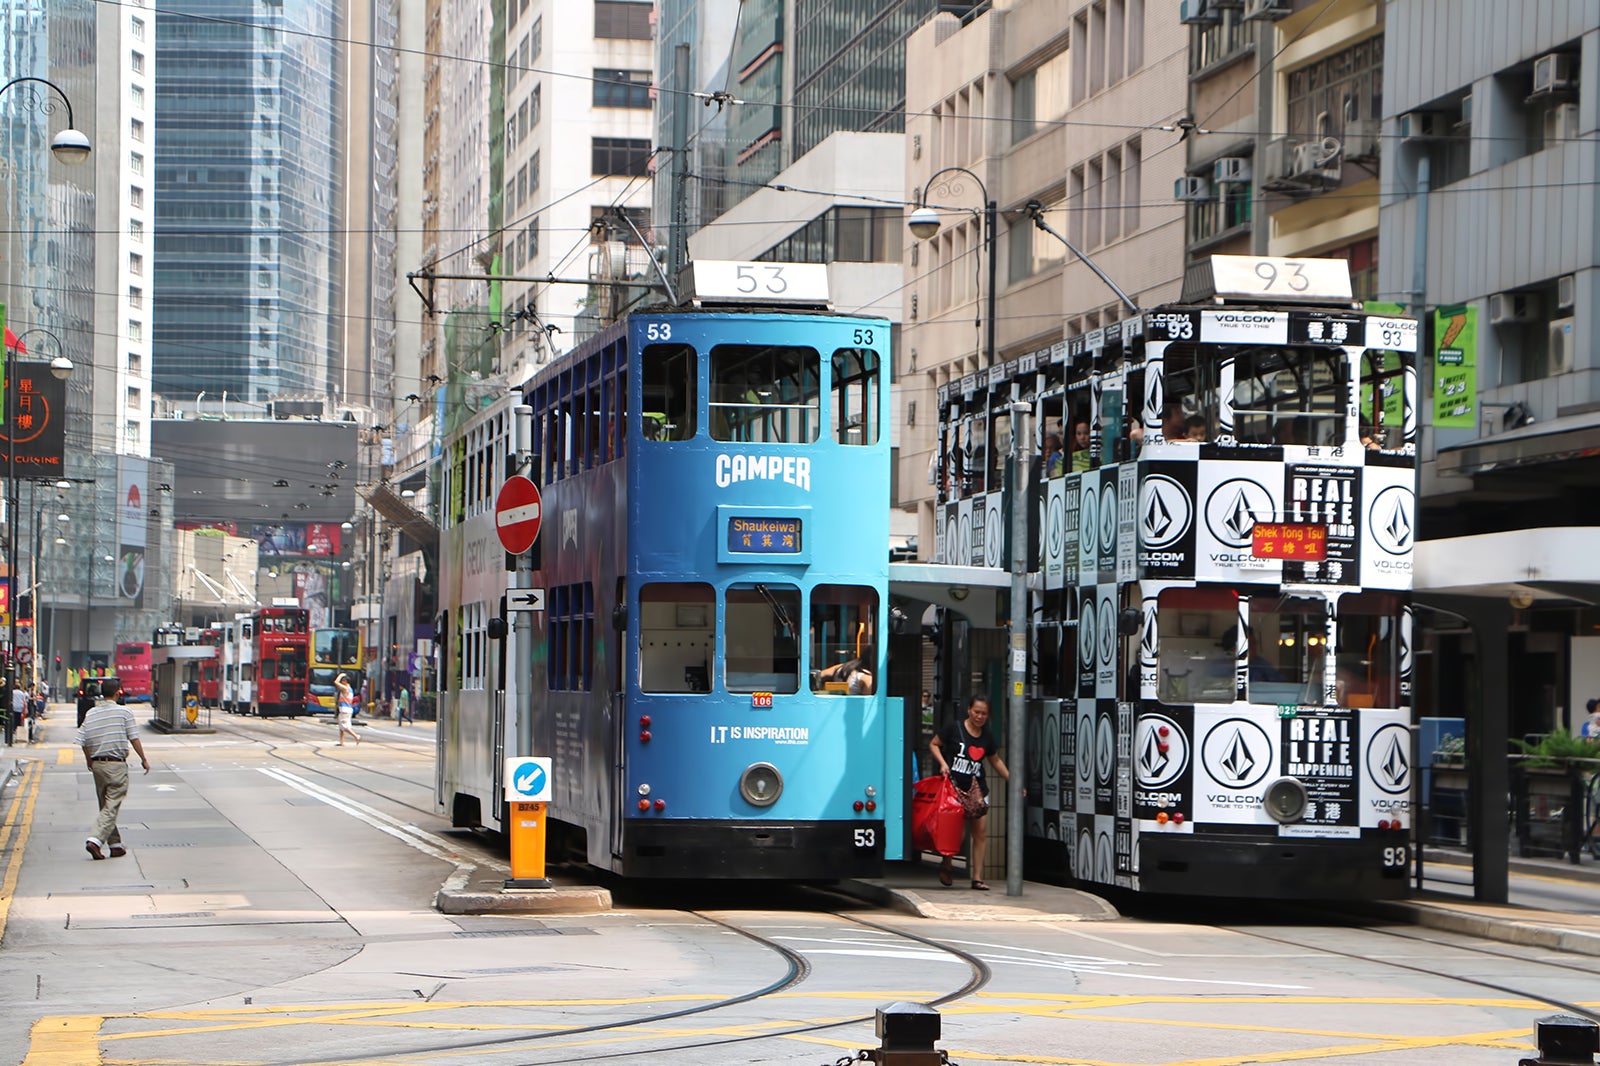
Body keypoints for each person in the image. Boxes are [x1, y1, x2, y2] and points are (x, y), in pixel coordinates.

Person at [929, 696, 1012, 891]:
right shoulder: (954, 728)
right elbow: (934, 744)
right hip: (954, 788)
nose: (980, 716)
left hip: (978, 790)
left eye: (984, 713)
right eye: (977, 712)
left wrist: (1014, 781)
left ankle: (977, 878)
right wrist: (943, 763)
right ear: (969, 710)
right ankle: (947, 863)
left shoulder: (987, 737)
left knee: (980, 833)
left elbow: (996, 760)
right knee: (957, 833)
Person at [76, 678, 150, 860]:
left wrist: (89, 760)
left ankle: (115, 845)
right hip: (116, 764)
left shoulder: (91, 713)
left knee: (106, 805)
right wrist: (143, 759)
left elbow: (83, 740)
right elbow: (133, 738)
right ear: (118, 693)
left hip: (98, 764)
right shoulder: (124, 712)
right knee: (112, 805)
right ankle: (95, 840)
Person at [333, 672, 362, 746]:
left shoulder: (345, 688)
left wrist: (340, 675)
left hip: (345, 710)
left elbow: (335, 682)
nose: (341, 683)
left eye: (342, 681)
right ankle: (342, 742)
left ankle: (356, 736)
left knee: (345, 727)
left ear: (345, 682)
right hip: (346, 710)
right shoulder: (350, 689)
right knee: (341, 726)